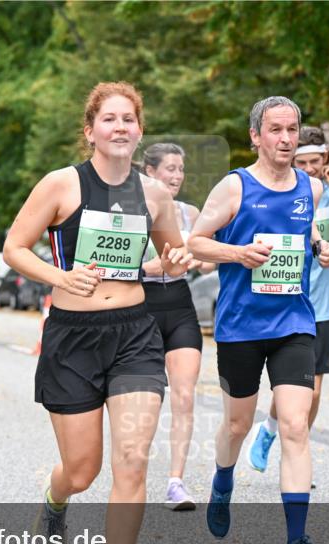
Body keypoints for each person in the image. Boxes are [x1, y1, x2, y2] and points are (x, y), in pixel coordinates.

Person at [3, 81, 191, 544]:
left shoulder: (154, 195)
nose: (120, 126)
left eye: (128, 118)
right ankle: (56, 499)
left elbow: (170, 256)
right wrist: (61, 276)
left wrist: (177, 258)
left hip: (134, 334)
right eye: (109, 118)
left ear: (140, 130)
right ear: (90, 131)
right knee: (82, 470)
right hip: (73, 337)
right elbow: (14, 248)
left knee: (132, 459)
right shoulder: (61, 184)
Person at [187, 95, 329, 544]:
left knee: (294, 425)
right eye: (276, 130)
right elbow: (196, 242)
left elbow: (304, 233)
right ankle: (223, 478)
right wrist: (237, 253)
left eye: (292, 129)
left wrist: (320, 246)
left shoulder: (312, 188)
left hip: (294, 323)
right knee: (237, 426)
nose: (286, 139)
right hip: (241, 326)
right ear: (256, 136)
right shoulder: (235, 186)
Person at [247, 126, 329, 477]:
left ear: (326, 159)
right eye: (303, 162)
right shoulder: (283, 192)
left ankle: (293, 451)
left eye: (316, 161)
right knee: (293, 385)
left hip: (320, 306)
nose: (310, 168)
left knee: (311, 392)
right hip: (286, 300)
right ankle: (272, 432)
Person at [138, 142, 216, 510]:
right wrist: (147, 268)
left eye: (181, 169)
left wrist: (199, 259)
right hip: (143, 306)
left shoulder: (190, 212)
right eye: (170, 168)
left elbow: (209, 259)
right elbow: (113, 264)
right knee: (149, 400)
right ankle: (133, 478)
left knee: (184, 395)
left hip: (181, 305)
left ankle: (175, 483)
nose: (177, 176)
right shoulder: (135, 211)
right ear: (150, 172)